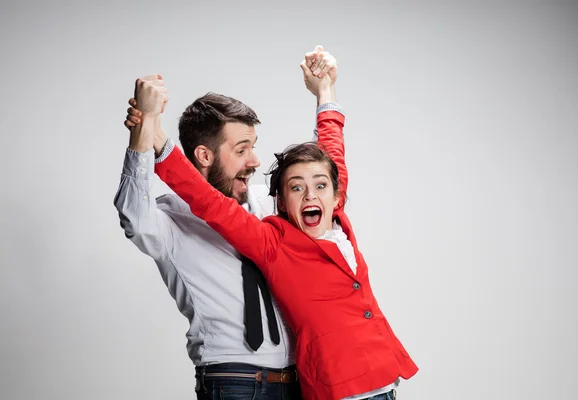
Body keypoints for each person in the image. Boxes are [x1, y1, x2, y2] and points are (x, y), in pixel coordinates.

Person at [131, 57, 419, 400]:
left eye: (321, 186)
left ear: (336, 192)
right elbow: (210, 204)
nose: (311, 193)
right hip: (328, 386)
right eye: (296, 187)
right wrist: (155, 132)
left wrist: (324, 91)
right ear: (281, 202)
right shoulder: (272, 240)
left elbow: (331, 155)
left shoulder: (336, 215)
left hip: (382, 376)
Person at [115, 47, 340, 399]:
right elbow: (134, 218)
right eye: (241, 149)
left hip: (300, 381)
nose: (255, 160)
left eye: (253, 146)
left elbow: (324, 179)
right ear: (204, 155)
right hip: (233, 381)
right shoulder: (172, 217)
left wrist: (325, 94)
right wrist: (144, 129)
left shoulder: (268, 203)